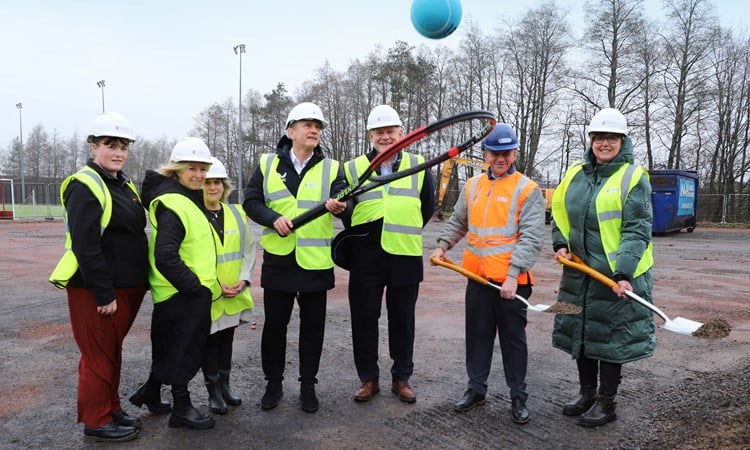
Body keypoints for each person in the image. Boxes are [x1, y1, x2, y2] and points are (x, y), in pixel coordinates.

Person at [429, 123, 545, 425]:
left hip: (511, 283)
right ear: (486, 154)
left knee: (513, 341)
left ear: (514, 153)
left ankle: (518, 397)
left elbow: (531, 237)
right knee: (477, 337)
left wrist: (512, 275)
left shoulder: (527, 189)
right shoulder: (473, 186)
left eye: (506, 153)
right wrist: (443, 246)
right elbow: (458, 221)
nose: (500, 158)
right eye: (495, 153)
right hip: (478, 279)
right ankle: (476, 390)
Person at [551, 108, 655, 428]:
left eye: (611, 137)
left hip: (614, 276)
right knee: (582, 335)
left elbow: (637, 230)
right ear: (591, 140)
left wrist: (623, 273)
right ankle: (586, 394)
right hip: (580, 272)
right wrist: (561, 244)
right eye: (599, 137)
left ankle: (606, 403)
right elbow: (559, 215)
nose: (604, 143)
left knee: (610, 340)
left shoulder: (632, 177)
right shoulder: (574, 175)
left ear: (622, 141)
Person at [243, 102, 348, 413]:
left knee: (313, 327)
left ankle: (307, 385)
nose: (314, 129)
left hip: (315, 261)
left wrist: (343, 207)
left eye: (317, 125)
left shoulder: (332, 168)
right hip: (280, 259)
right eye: (307, 124)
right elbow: (251, 201)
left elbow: (348, 202)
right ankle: (273, 383)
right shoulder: (267, 164)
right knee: (275, 325)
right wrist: (272, 218)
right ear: (291, 131)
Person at [49, 112, 146, 443]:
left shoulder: (123, 184)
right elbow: (86, 244)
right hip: (97, 290)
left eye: (123, 146)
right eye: (110, 145)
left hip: (126, 286)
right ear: (94, 147)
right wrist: (104, 293)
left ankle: (111, 408)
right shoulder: (85, 185)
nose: (118, 152)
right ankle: (96, 419)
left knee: (111, 351)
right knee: (97, 355)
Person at [333, 105, 434, 404]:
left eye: (391, 131)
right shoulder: (352, 168)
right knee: (364, 318)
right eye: (379, 132)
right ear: (370, 135)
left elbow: (426, 207)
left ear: (402, 133)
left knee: (403, 320)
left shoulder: (419, 164)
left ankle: (401, 378)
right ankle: (368, 378)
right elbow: (345, 207)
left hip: (404, 253)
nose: (386, 137)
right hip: (366, 255)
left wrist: (403, 226)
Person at [136, 137, 222, 430]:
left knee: (170, 347)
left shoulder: (185, 198)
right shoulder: (174, 203)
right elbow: (165, 256)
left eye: (202, 168)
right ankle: (182, 409)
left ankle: (150, 392)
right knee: (184, 351)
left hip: (181, 291)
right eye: (191, 169)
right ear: (176, 170)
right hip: (181, 292)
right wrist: (194, 288)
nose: (198, 175)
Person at [200, 157, 256, 415]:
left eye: (218, 183)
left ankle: (225, 386)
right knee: (210, 344)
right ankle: (213, 392)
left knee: (226, 341)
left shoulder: (235, 212)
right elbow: (194, 256)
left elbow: (248, 248)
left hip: (234, 292)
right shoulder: (196, 216)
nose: (213, 188)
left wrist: (244, 279)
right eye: (208, 183)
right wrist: (215, 285)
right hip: (211, 294)